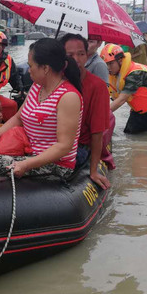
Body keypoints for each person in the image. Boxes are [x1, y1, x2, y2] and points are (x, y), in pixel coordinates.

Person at [0, 38, 83, 180]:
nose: (29, 70)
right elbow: (18, 117)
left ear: (45, 68)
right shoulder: (37, 87)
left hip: (55, 165)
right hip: (28, 153)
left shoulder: (68, 97)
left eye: (31, 66)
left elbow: (64, 146)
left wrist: (27, 164)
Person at [62, 34, 111, 189]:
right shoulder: (52, 80)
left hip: (77, 147)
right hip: (49, 144)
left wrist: (94, 170)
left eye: (81, 54)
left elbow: (97, 133)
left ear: (87, 55)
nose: (76, 59)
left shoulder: (97, 86)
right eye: (70, 55)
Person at [102, 43, 147, 134]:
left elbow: (122, 100)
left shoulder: (135, 73)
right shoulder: (116, 73)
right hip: (140, 110)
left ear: (120, 60)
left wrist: (100, 116)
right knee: (129, 135)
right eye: (106, 64)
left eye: (110, 63)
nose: (108, 68)